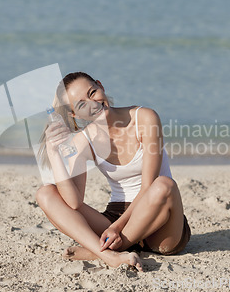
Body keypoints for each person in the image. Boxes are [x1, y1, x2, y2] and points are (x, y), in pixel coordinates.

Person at [36, 72, 190, 271]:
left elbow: (147, 187)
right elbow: (73, 201)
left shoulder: (144, 118)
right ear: (74, 115)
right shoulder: (84, 141)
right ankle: (109, 254)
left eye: (93, 92)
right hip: (116, 216)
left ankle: (101, 251)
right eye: (81, 104)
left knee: (164, 185)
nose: (93, 104)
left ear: (101, 86)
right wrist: (53, 152)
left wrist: (116, 228)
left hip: (159, 219)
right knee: (45, 193)